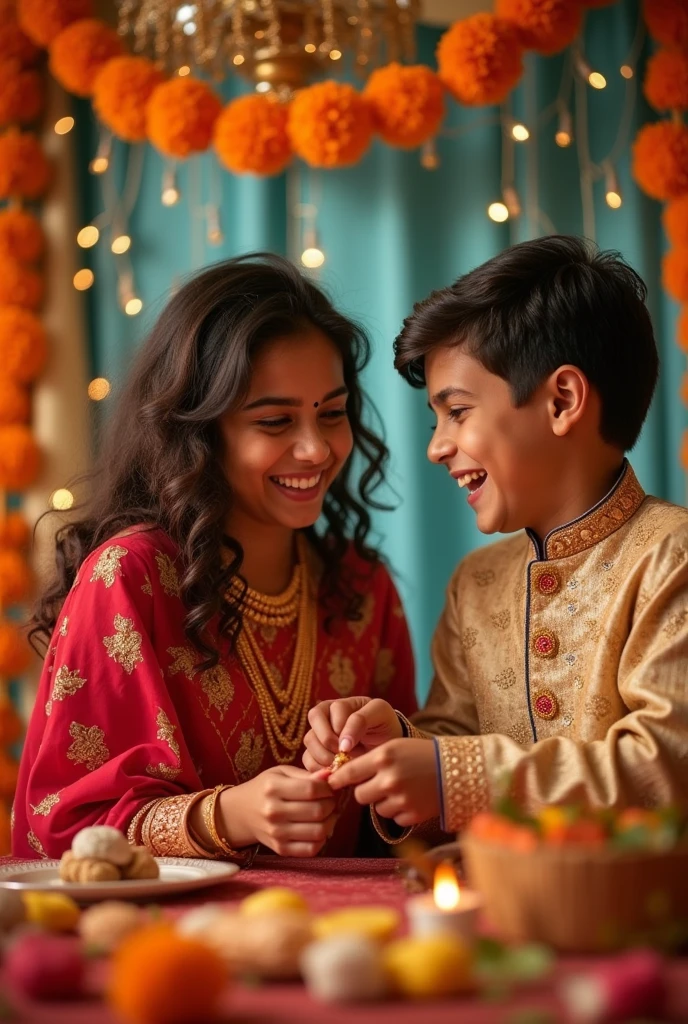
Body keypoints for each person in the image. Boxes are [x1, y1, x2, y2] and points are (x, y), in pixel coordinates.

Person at [14, 254, 416, 863]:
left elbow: (409, 819)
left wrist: (387, 761)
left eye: (331, 414)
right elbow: (62, 827)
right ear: (199, 432)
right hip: (170, 947)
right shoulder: (130, 578)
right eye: (276, 420)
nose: (315, 449)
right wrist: (230, 815)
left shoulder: (361, 586)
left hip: (349, 943)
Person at [303, 235, 688, 839]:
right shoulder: (477, 584)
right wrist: (396, 744)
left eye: (456, 411)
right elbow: (454, 740)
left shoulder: (673, 559)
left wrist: (453, 775)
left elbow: (666, 766)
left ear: (562, 400)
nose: (436, 446)